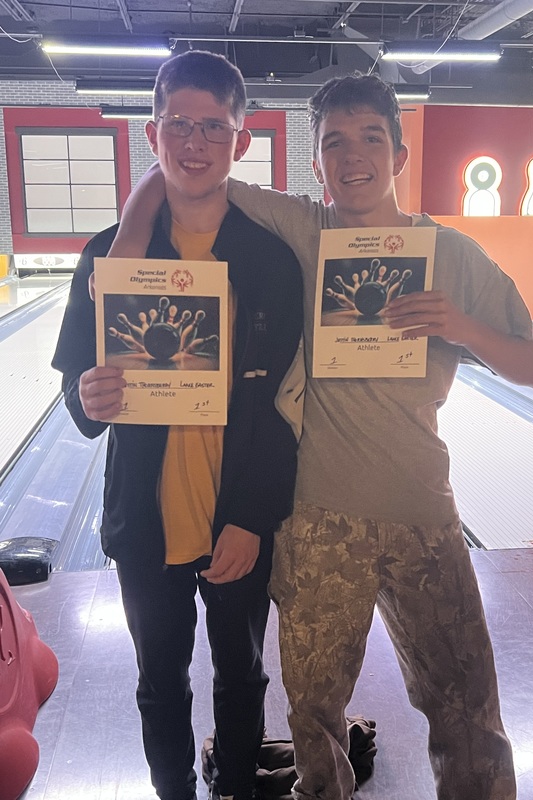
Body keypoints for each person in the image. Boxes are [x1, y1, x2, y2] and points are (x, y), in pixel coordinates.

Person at [109, 73, 533, 800]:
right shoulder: (303, 230)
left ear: (399, 153)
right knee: (313, 717)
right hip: (316, 521)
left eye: (370, 138)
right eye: (334, 143)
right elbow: (181, 175)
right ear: (315, 162)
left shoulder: (452, 254)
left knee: (467, 708)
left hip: (424, 513)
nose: (353, 157)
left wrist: (459, 325)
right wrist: (129, 239)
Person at [52, 50, 304, 800]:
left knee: (243, 678)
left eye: (212, 127)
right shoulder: (106, 253)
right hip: (145, 526)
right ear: (153, 135)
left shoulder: (268, 262)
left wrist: (253, 520)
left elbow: (279, 407)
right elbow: (76, 389)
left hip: (235, 522)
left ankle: (233, 787)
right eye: (177, 125)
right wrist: (87, 400)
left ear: (241, 140)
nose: (194, 143)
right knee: (159, 683)